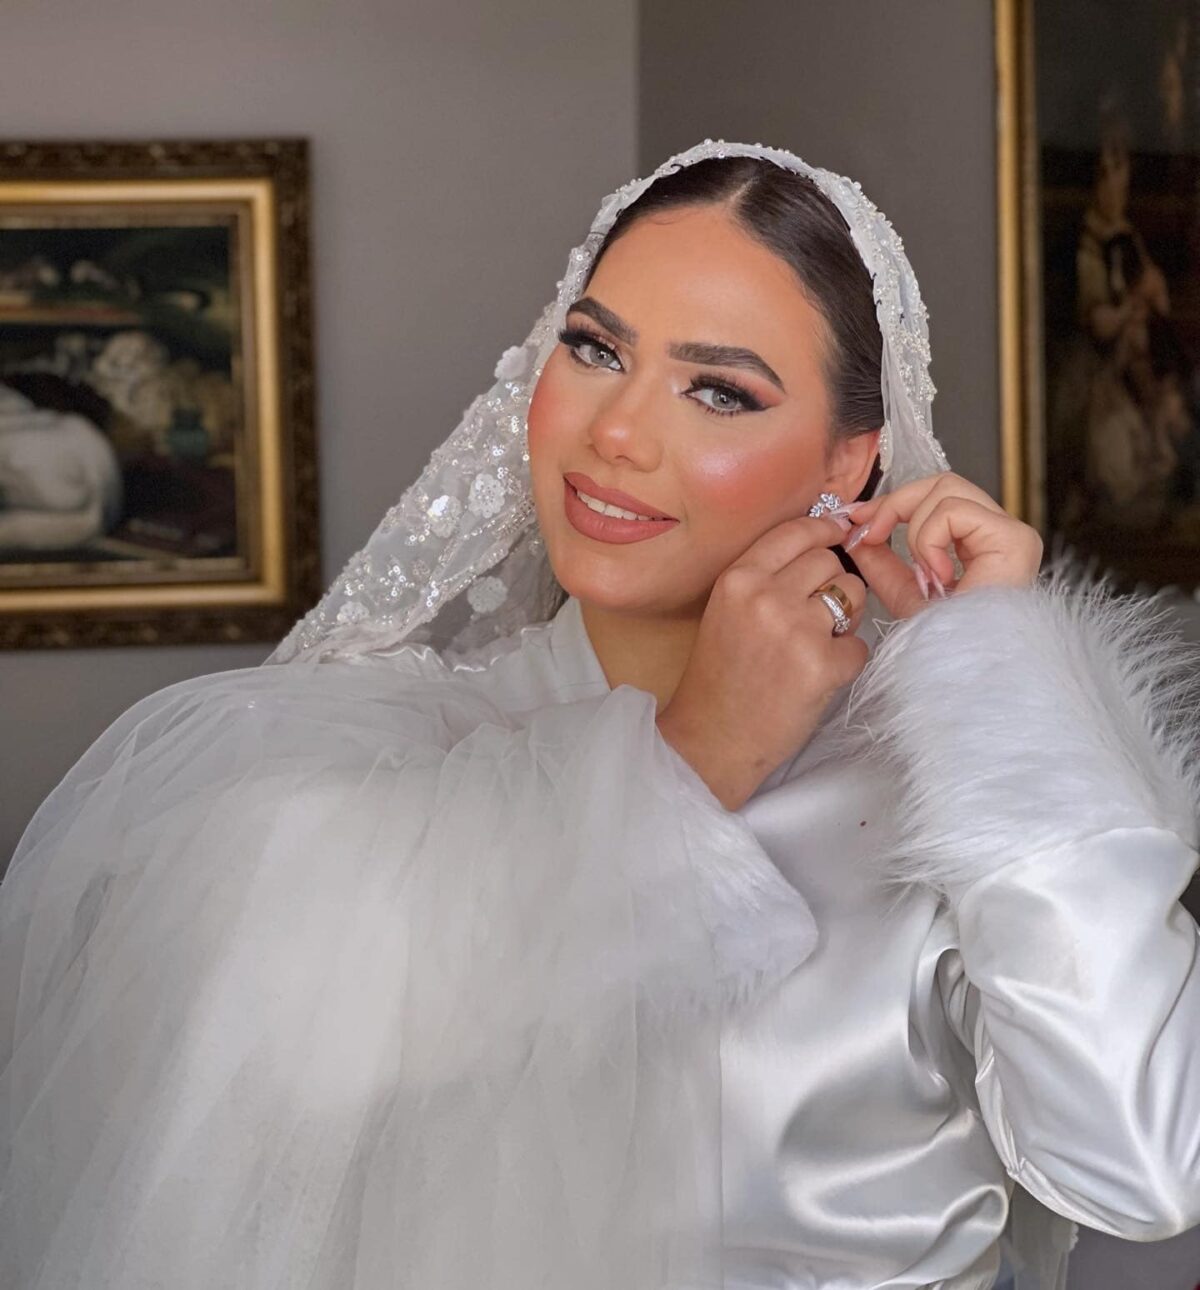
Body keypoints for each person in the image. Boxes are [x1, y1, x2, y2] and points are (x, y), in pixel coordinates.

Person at [1, 139, 1197, 1290]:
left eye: (719, 390)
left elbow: (1143, 1170)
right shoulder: (372, 754)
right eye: (594, 349)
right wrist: (693, 760)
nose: (615, 433)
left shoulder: (957, 798)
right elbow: (237, 1152)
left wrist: (995, 675)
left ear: (852, 465)